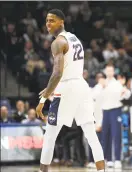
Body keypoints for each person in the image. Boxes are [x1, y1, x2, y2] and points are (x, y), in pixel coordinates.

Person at [35, 9, 105, 172]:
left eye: (52, 20)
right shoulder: (74, 38)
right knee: (91, 134)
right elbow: (68, 69)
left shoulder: (57, 42)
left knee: (50, 135)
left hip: (66, 88)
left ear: (61, 22)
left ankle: (42, 170)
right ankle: (102, 170)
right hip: (81, 85)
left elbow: (58, 72)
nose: (48, 24)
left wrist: (43, 99)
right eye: (46, 20)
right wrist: (49, 87)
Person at [101, 65, 123, 169]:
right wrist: (103, 87)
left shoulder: (117, 83)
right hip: (105, 111)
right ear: (105, 72)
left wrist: (107, 87)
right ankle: (108, 158)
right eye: (108, 70)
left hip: (115, 109)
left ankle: (117, 159)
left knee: (116, 134)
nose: (109, 72)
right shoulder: (102, 83)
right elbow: (95, 96)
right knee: (106, 135)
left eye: (111, 70)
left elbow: (123, 94)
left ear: (114, 72)